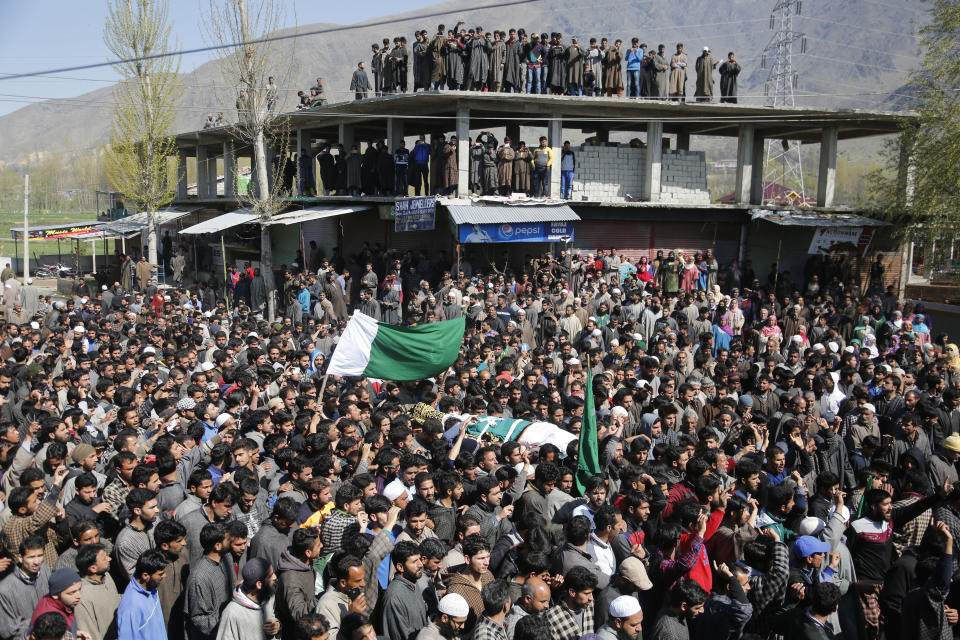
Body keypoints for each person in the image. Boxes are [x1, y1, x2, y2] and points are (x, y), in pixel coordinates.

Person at [215, 557, 280, 640]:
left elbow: (272, 617)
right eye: (270, 575)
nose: (274, 577)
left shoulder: (268, 596)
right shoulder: (231, 614)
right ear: (259, 584)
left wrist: (277, 625)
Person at [0, 536, 51, 640]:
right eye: (31, 557)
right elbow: (6, 630)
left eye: (40, 555)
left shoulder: (45, 569)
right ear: (20, 558)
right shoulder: (5, 589)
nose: (37, 562)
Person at [117, 549, 170, 640]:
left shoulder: (151, 587)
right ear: (145, 575)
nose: (164, 576)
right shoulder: (131, 606)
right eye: (160, 574)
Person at [381, 540, 428, 640]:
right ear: (400, 567)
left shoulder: (414, 582)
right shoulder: (394, 597)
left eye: (419, 559)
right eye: (414, 561)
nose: (420, 564)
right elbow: (400, 635)